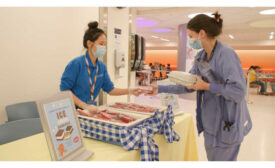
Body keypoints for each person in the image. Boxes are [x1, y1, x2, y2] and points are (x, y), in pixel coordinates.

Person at [146, 12, 252, 161]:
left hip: (226, 126)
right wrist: (160, 89)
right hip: (210, 124)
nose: (189, 41)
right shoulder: (200, 57)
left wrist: (207, 86)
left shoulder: (226, 55)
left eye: (190, 36)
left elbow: (238, 92)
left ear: (201, 34)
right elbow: (190, 85)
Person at [60, 21, 141, 113]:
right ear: (89, 44)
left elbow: (110, 90)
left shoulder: (101, 67)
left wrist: (130, 91)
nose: (104, 47)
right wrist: (84, 106)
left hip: (90, 111)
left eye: (105, 45)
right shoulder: (76, 64)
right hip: (73, 111)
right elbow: (65, 91)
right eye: (101, 44)